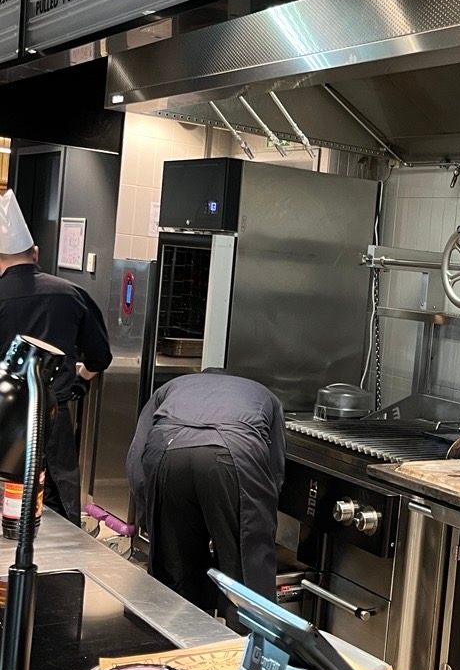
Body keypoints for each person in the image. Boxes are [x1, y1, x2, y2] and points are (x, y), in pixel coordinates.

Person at [126, 368, 286, 625]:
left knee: (174, 566)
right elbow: (275, 469)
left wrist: (149, 515)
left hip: (168, 450)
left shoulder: (172, 386)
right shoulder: (264, 395)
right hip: (234, 451)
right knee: (245, 572)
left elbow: (136, 459)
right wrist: (254, 519)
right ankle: (244, 642)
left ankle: (178, 640)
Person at [0, 189, 111, 523]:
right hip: (50, 418)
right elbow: (100, 356)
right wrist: (80, 378)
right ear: (35, 253)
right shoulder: (72, 294)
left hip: (2, 415)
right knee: (55, 505)